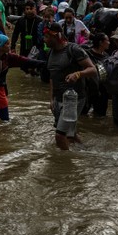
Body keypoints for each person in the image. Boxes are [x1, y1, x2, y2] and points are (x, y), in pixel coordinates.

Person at [44, 21, 97, 150]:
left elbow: (93, 69)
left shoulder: (74, 49)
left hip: (73, 98)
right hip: (58, 98)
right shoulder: (50, 52)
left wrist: (78, 74)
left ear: (56, 36)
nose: (44, 39)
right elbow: (52, 77)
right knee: (70, 134)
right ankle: (89, 153)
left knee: (59, 136)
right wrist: (51, 99)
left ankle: (65, 166)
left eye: (46, 36)